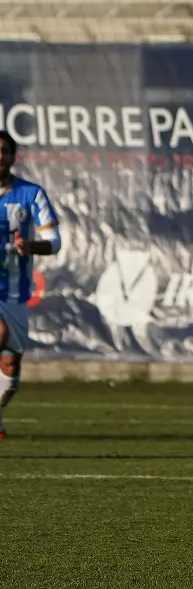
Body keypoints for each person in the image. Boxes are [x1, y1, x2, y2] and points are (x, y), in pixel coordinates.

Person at [0, 131, 62, 440]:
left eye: (4, 151)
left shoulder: (30, 194)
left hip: (14, 293)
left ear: (12, 157)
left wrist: (31, 247)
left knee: (9, 375)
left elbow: (55, 242)